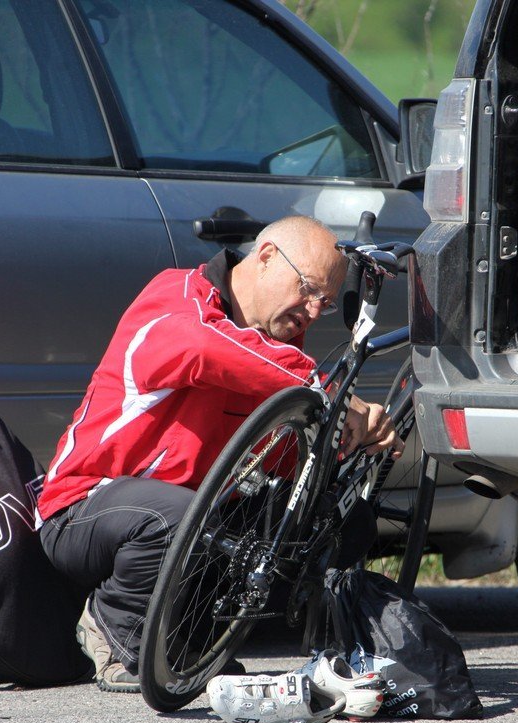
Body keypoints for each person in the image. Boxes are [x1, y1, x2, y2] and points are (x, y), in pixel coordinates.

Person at [36, 215, 402, 693]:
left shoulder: (276, 345)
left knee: (327, 518)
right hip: (83, 508)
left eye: (325, 304)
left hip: (187, 516)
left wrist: (351, 438)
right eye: (307, 289)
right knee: (176, 516)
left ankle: (193, 640)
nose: (312, 311)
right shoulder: (176, 299)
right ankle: (115, 632)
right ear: (267, 256)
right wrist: (328, 393)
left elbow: (282, 460)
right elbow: (204, 347)